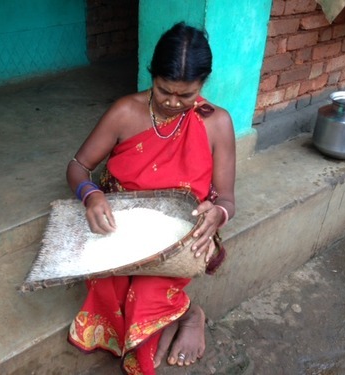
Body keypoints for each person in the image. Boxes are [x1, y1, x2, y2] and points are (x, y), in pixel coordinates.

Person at [66, 22, 236, 374]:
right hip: (122, 223)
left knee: (146, 295)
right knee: (110, 281)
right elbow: (78, 167)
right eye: (163, 90)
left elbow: (228, 200)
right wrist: (91, 195)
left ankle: (189, 316)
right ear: (152, 76)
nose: (173, 102)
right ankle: (177, 316)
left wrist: (217, 214)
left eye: (186, 95)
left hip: (181, 233)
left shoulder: (217, 123)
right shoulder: (125, 112)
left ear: (203, 84)